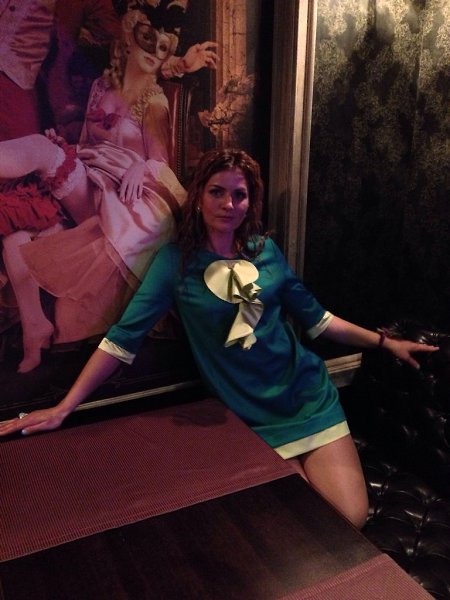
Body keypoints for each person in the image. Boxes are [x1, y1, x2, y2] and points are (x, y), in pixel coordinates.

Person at [0, 149, 438, 529]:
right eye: (217, 192)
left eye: (239, 194)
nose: (229, 204)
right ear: (198, 196)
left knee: (350, 518)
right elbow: (122, 339)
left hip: (309, 399)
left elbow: (320, 321)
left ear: (250, 201)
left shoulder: (266, 251)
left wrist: (385, 343)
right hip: (249, 420)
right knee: (305, 522)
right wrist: (63, 408)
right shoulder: (176, 263)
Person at [0, 4, 218, 372]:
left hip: (120, 194)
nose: (155, 53)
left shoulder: (154, 101)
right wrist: (66, 147)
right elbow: (86, 140)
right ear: (127, 42)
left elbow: (160, 161)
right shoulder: (101, 87)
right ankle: (34, 328)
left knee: (39, 149)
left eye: (163, 49)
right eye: (148, 42)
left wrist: (138, 167)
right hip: (89, 174)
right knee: (16, 230)